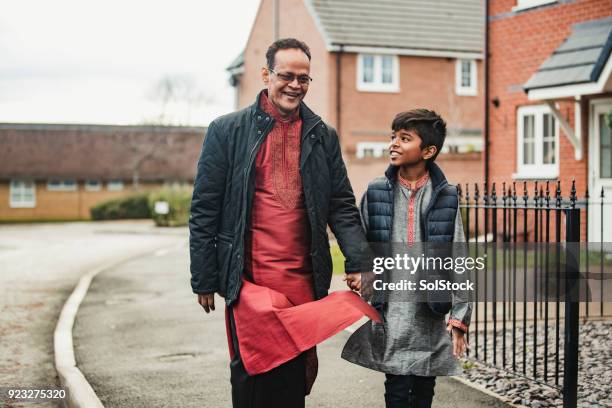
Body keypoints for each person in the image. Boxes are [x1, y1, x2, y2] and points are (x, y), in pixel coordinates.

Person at [189, 38, 378, 408]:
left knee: (294, 379)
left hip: (302, 284)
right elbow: (204, 210)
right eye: (287, 76)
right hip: (249, 283)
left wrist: (358, 261)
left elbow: (340, 204)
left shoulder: (322, 135)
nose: (295, 85)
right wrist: (204, 277)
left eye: (304, 78)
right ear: (265, 75)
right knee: (251, 377)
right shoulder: (227, 131)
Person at [342, 109, 472, 408]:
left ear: (428, 150)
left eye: (404, 138)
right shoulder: (375, 191)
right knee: (397, 390)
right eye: (393, 137)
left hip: (428, 312)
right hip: (390, 310)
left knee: (424, 389)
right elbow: (359, 240)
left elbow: (459, 256)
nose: (393, 144)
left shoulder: (446, 196)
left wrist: (460, 318)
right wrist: (359, 270)